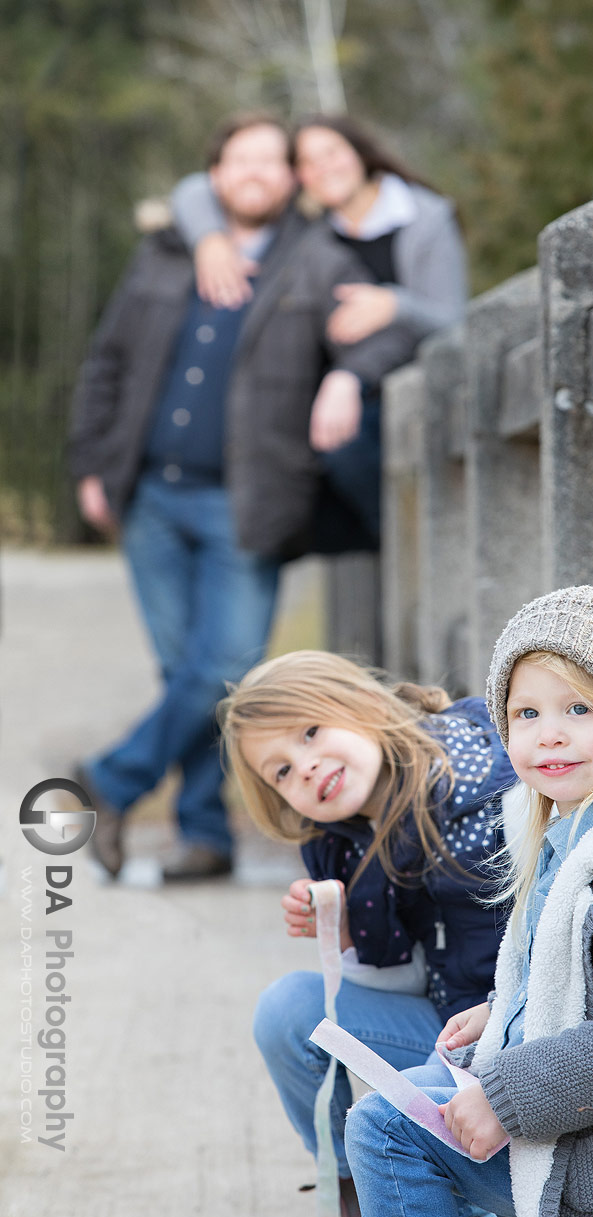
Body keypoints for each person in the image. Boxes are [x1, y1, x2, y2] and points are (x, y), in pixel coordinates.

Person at [69, 112, 414, 882]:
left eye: (270, 159)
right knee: (182, 673)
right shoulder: (165, 255)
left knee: (225, 669)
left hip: (245, 503)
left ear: (291, 177)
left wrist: (347, 376)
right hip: (149, 494)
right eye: (239, 159)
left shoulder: (319, 259)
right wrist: (92, 466)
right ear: (215, 175)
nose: (255, 171)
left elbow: (387, 336)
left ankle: (112, 780)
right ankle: (205, 837)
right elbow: (108, 362)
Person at [344, 585, 593, 1217]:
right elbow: (583, 974)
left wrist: (503, 1099)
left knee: (385, 1128)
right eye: (527, 715)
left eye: (578, 709)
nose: (549, 736)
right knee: (399, 1105)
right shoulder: (570, 832)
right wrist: (504, 1010)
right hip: (574, 1135)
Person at [218, 649, 518, 1217]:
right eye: (280, 771)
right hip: (446, 1017)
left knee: (389, 1117)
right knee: (288, 1009)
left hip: (512, 1031)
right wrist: (343, 933)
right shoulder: (344, 838)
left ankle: (442, 1185)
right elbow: (408, 974)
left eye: (310, 732)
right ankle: (350, 1187)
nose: (303, 767)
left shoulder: (474, 789)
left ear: (361, 705)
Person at [170, 114, 467, 545]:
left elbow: (456, 322)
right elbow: (193, 189)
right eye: (308, 162)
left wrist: (395, 305)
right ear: (298, 177)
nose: (323, 168)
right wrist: (209, 240)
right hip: (330, 393)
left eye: (332, 153)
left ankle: (408, 547)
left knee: (349, 454)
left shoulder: (424, 219)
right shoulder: (314, 231)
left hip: (398, 390)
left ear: (360, 154)